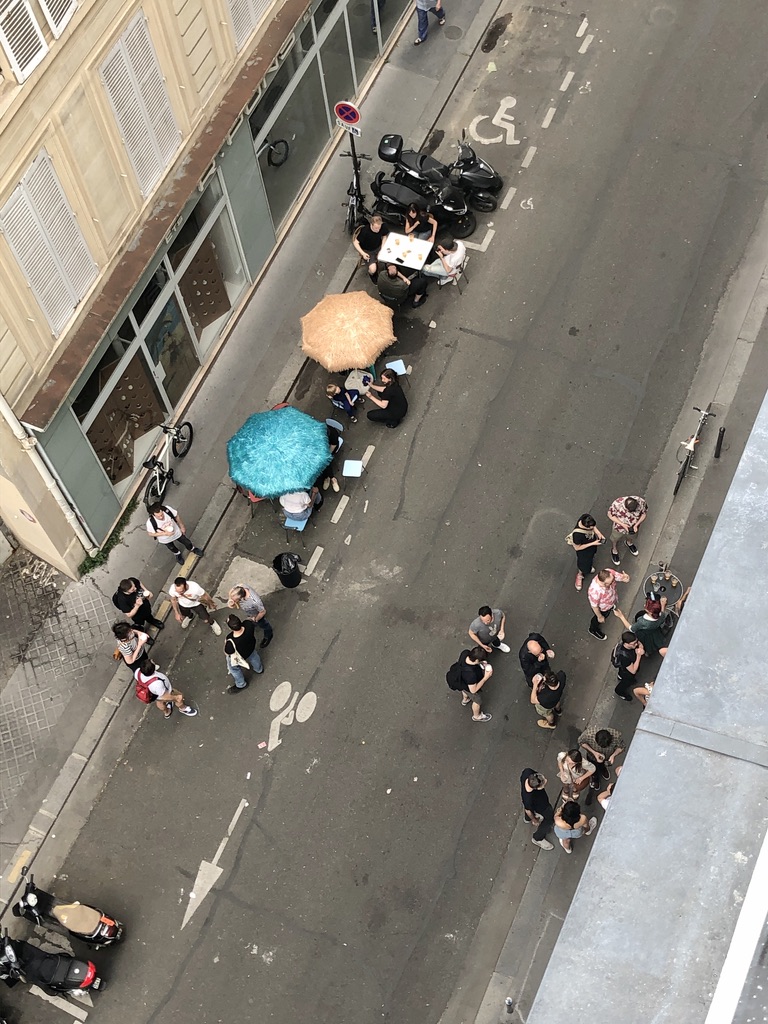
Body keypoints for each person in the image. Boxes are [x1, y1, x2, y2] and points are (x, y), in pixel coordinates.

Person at [224, 614, 264, 694]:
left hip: (240, 656)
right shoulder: (248, 625)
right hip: (250, 648)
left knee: (234, 669)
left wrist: (226, 642)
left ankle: (241, 684)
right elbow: (250, 620)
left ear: (231, 628)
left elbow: (227, 652)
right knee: (254, 657)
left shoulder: (231, 640)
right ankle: (259, 669)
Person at [587, 567, 630, 641]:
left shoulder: (608, 572)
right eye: (611, 582)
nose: (613, 581)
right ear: (605, 584)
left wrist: (624, 578)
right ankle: (593, 629)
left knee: (609, 610)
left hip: (611, 600)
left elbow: (617, 576)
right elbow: (594, 606)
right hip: (604, 608)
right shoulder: (594, 591)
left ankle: (611, 607)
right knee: (598, 618)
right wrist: (600, 616)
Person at [567, 513, 605, 591]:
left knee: (591, 558)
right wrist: (593, 543)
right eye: (590, 527)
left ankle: (588, 567)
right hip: (584, 551)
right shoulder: (577, 535)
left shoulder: (585, 517)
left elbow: (593, 527)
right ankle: (580, 575)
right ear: (585, 526)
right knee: (583, 564)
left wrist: (598, 533)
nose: (593, 528)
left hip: (592, 546)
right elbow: (577, 548)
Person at [607, 494, 648, 565]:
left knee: (631, 536)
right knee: (615, 538)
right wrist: (622, 525)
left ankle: (629, 543)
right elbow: (610, 515)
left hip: (634, 526)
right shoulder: (617, 504)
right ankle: (614, 549)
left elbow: (644, 514)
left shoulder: (641, 502)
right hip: (619, 527)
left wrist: (636, 525)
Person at [520, 770, 555, 851]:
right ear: (536, 788)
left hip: (532, 805)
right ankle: (538, 838)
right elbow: (528, 809)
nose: (545, 781)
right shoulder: (528, 798)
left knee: (528, 807)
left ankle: (527, 818)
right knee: (550, 818)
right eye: (542, 785)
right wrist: (534, 819)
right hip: (541, 806)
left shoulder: (527, 772)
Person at [458, 647, 493, 722]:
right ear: (477, 660)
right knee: (477, 701)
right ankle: (477, 716)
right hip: (469, 686)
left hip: (460, 680)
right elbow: (473, 690)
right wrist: (485, 678)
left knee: (464, 690)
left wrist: (481, 663)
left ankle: (465, 699)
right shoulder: (471, 675)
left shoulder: (465, 653)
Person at [353, 214, 388, 282]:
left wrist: (382, 248)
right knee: (373, 269)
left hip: (378, 246)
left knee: (389, 259)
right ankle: (372, 275)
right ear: (371, 225)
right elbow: (355, 242)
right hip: (368, 251)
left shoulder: (383, 226)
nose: (378, 230)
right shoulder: (365, 231)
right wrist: (363, 253)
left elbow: (384, 236)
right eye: (376, 228)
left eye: (379, 228)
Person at [611, 631, 645, 701]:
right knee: (627, 682)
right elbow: (633, 671)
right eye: (633, 644)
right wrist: (639, 656)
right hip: (627, 672)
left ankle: (620, 676)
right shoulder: (624, 657)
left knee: (623, 672)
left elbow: (639, 643)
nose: (636, 645)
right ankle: (619, 691)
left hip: (625, 667)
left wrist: (641, 647)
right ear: (626, 643)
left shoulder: (631, 643)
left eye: (636, 642)